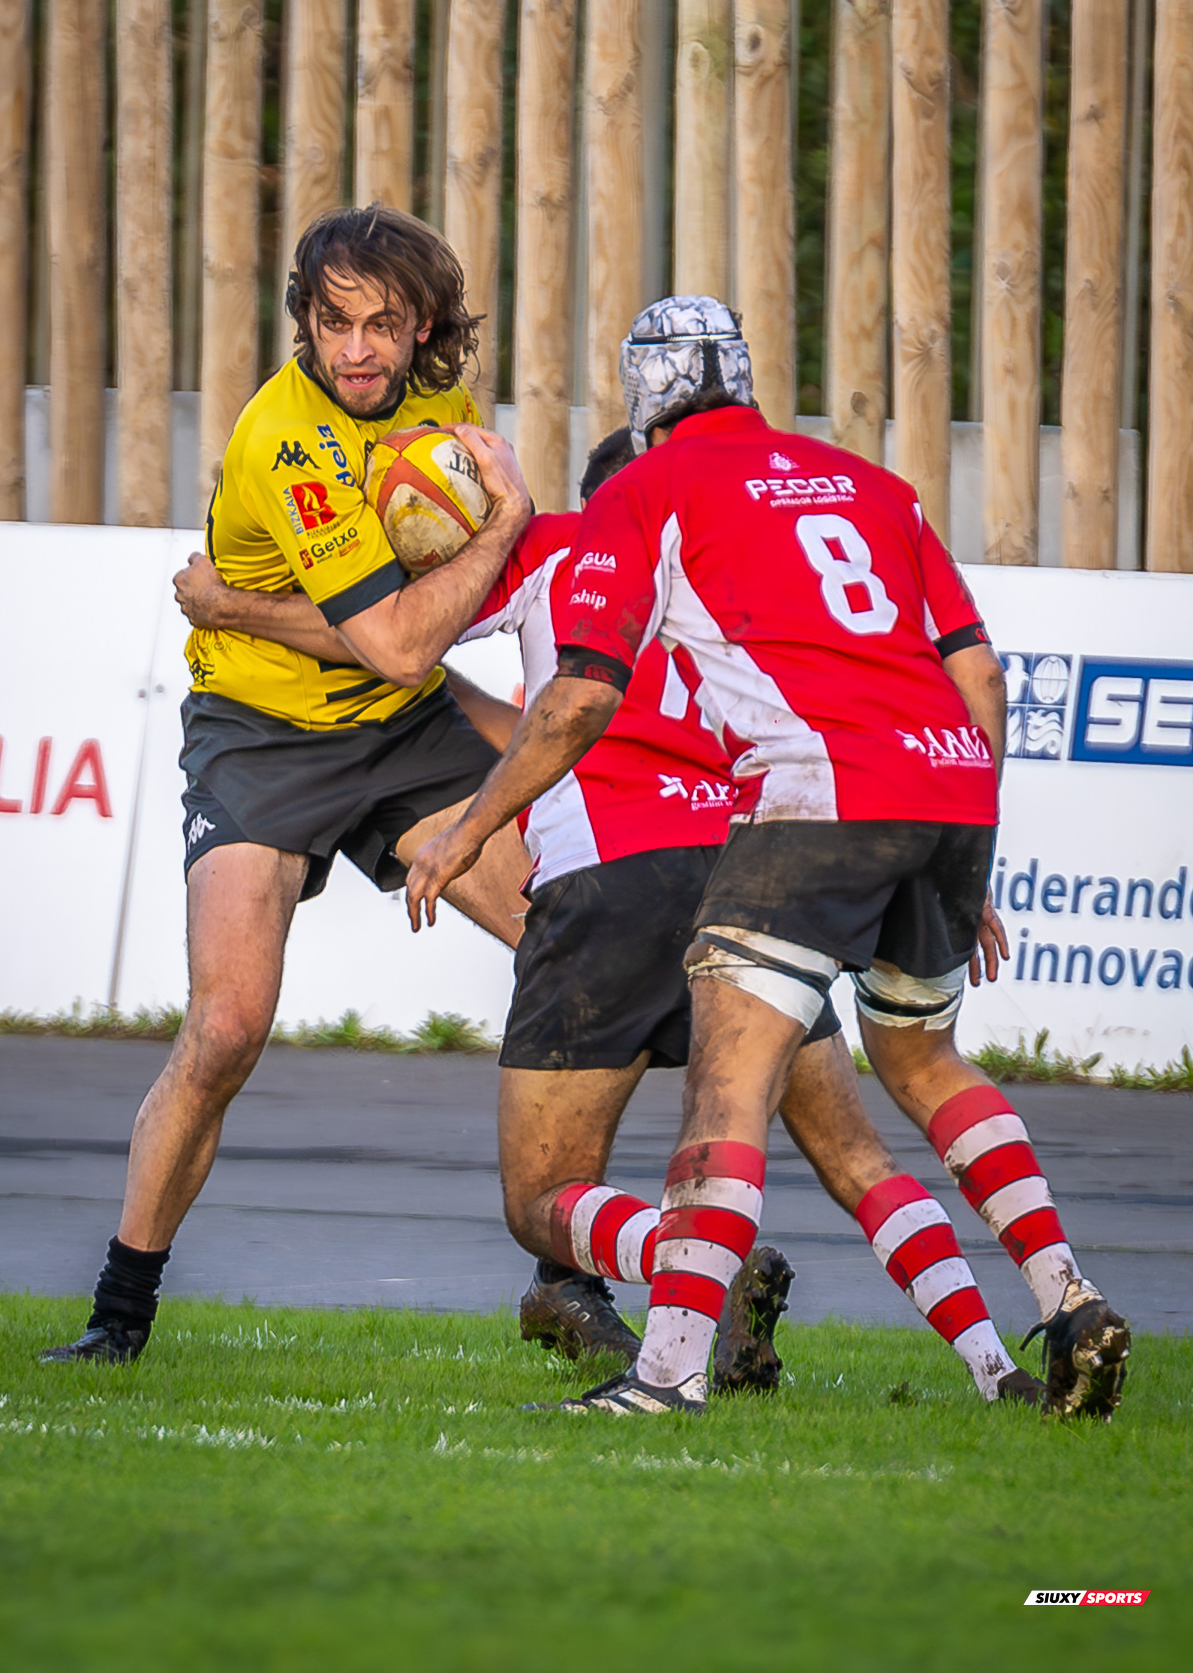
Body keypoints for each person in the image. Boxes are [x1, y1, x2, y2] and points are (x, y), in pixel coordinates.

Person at [170, 422, 1041, 1407]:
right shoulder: (741, 574)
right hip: (748, 880)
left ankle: (686, 1258)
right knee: (855, 1154)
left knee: (539, 1198)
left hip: (613, 882)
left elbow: (393, 646)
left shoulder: (573, 548)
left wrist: (231, 606)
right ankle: (995, 1366)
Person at [405, 297, 1131, 1420]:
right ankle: (1062, 1302)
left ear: (642, 402)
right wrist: (966, 854)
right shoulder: (870, 486)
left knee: (723, 1093)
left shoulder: (641, 495)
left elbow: (576, 694)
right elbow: (978, 675)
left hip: (795, 806)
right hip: (948, 785)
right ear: (744, 377)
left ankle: (666, 1374)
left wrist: (463, 831)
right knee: (925, 1068)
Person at [42, 205, 533, 1366]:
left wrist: (235, 602)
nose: (354, 350)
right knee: (222, 1029)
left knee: (571, 953)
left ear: (425, 330)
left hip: (401, 729)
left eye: (381, 324)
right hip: (261, 733)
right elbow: (406, 640)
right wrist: (503, 517)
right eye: (331, 322)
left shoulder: (441, 415)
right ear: (303, 320)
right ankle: (120, 1316)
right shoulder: (286, 438)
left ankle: (575, 1273)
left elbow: (412, 642)